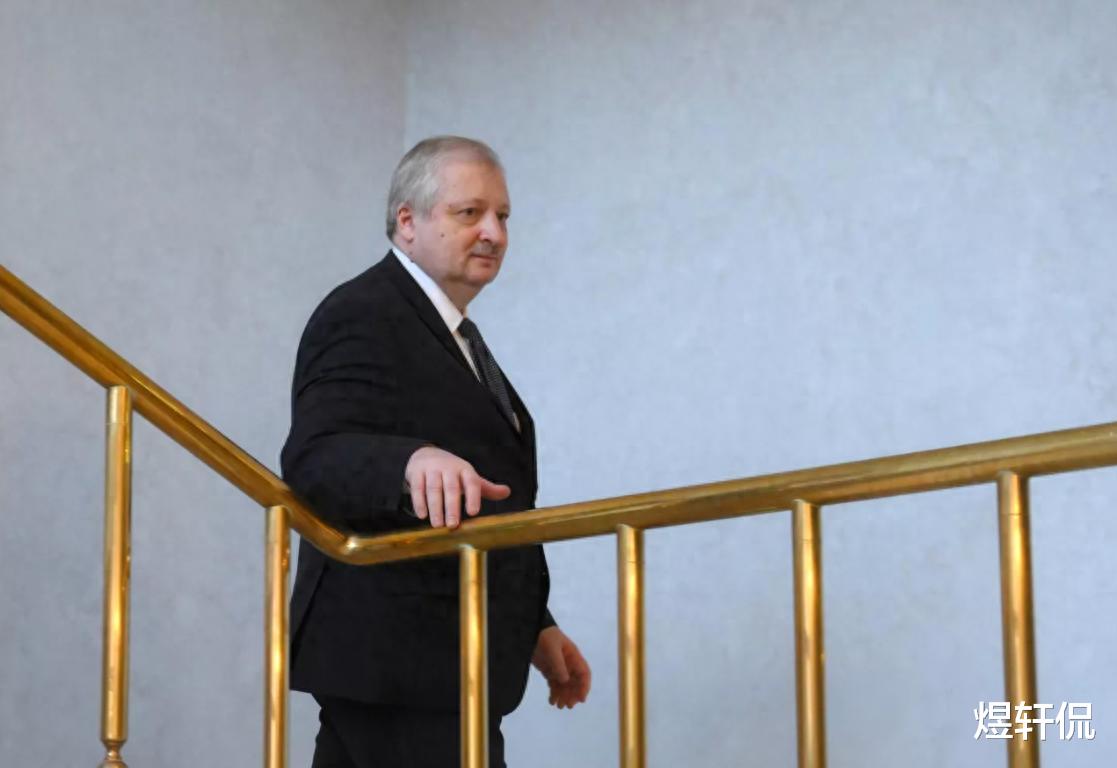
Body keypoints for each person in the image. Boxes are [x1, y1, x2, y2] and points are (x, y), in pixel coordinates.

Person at [281, 136, 591, 767]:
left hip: (445, 665)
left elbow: (494, 491)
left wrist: (535, 623)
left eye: (502, 216)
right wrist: (409, 462)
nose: (494, 233)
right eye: (469, 212)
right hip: (400, 661)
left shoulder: (455, 334)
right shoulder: (362, 311)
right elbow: (314, 456)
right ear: (407, 221)